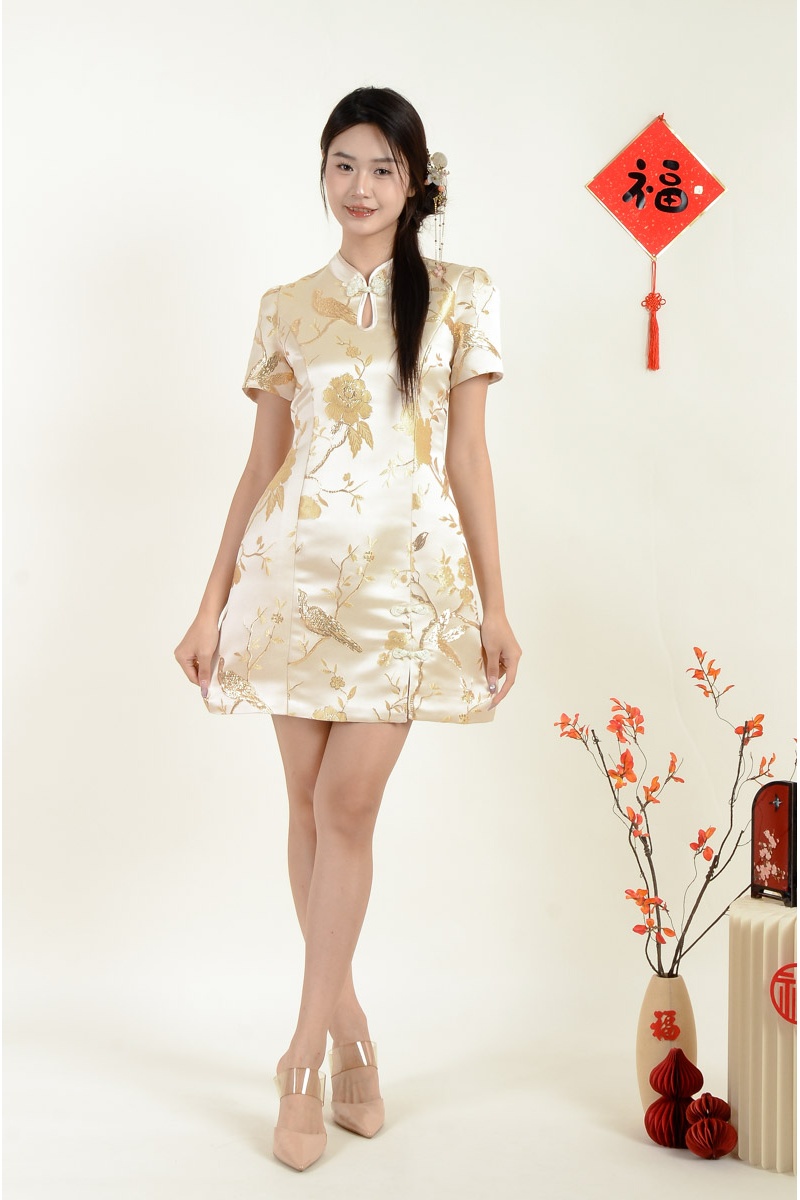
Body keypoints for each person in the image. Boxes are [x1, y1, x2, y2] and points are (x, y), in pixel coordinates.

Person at [174, 86, 521, 1172]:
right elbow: (261, 466)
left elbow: (468, 458)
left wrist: (496, 604)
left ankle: (299, 1056)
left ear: (414, 183)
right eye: (343, 164)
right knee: (306, 808)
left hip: (408, 592)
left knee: (346, 804)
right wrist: (210, 601)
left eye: (381, 167)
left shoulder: (461, 295)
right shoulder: (286, 306)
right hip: (292, 584)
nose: (360, 186)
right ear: (322, 173)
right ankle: (352, 1028)